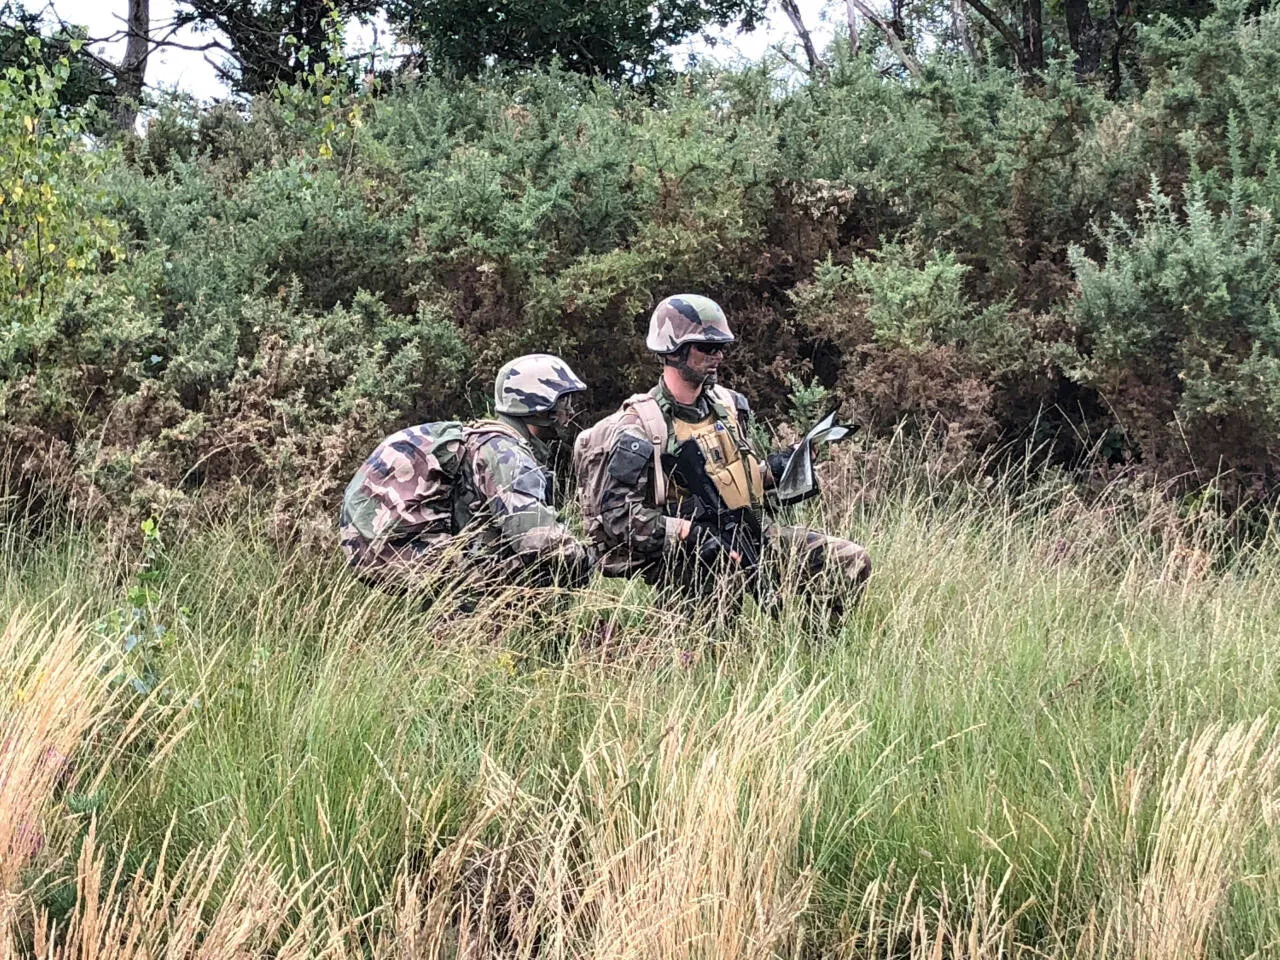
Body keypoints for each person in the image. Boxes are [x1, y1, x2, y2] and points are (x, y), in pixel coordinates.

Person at [578, 294, 870, 617]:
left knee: (851, 561)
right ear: (673, 351)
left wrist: (778, 468)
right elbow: (619, 517)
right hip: (686, 555)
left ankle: (814, 647)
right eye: (706, 347)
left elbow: (733, 480)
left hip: (743, 531)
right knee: (719, 628)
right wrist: (688, 534)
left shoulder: (729, 406)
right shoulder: (640, 426)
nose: (717, 355)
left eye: (721, 347)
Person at [340, 353, 591, 600]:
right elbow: (536, 539)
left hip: (384, 548)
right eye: (564, 402)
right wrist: (587, 560)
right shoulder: (508, 455)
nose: (569, 411)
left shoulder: (488, 439)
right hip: (411, 552)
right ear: (542, 407)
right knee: (538, 576)